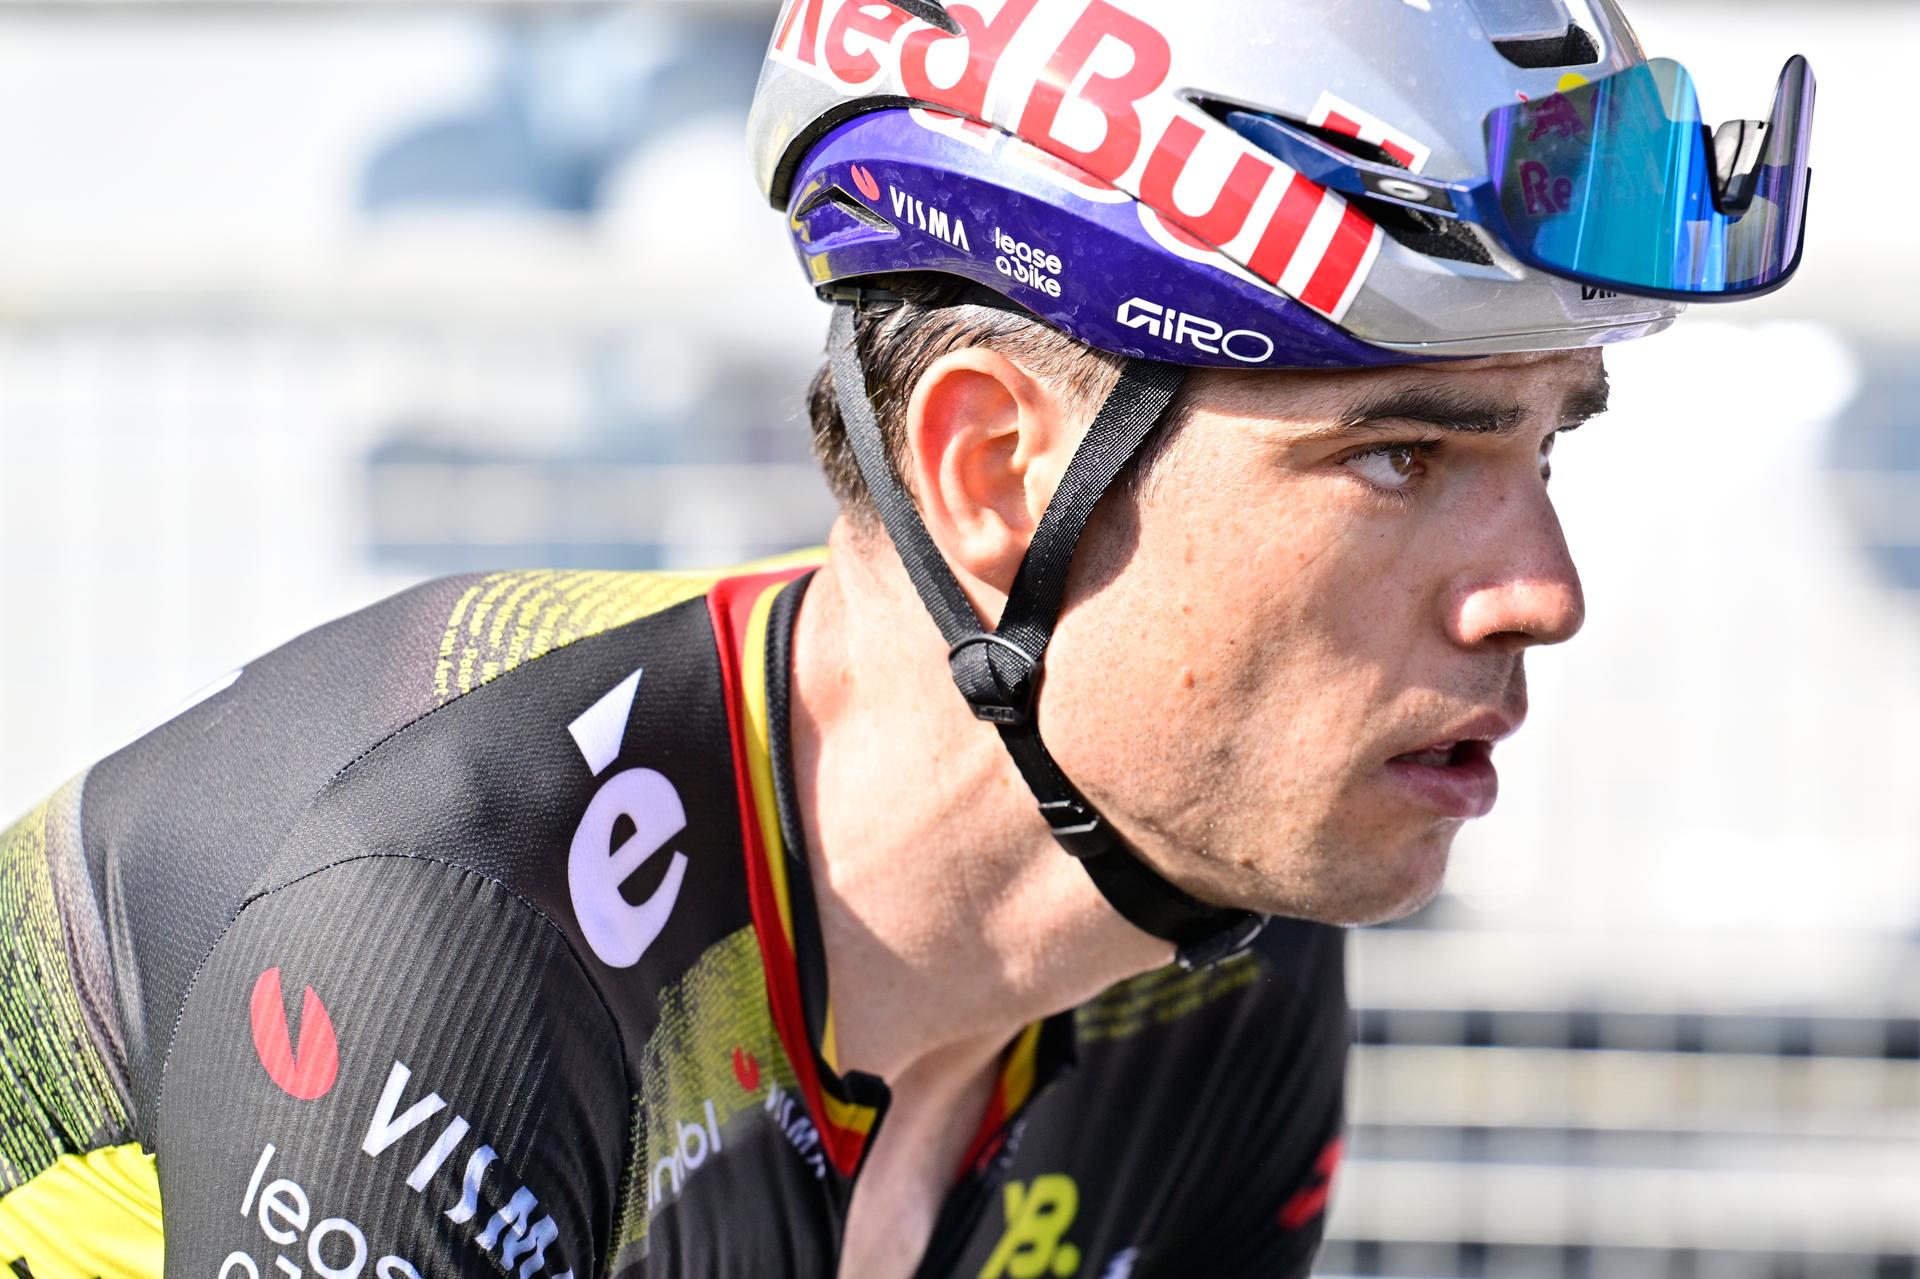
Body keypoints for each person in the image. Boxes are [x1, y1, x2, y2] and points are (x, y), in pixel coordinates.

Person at [0, 2, 1813, 1277]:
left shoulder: (1226, 946)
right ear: (992, 470)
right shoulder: (455, 934)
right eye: (1399, 451)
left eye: (1544, 437)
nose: (1541, 590)